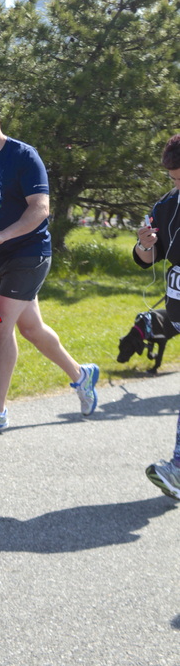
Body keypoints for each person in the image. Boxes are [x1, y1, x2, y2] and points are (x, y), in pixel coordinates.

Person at [0, 95, 99, 433]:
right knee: (31, 328)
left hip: (30, 251)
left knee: (1, 325)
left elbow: (40, 209)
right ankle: (81, 375)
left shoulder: (23, 156)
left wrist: (4, 234)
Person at [135, 134, 180, 499]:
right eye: (173, 178)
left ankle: (178, 469)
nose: (177, 184)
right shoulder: (165, 207)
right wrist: (144, 244)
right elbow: (147, 258)